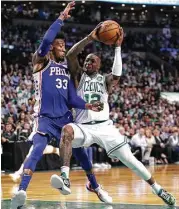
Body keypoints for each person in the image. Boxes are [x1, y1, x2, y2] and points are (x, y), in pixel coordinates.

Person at [50, 24, 176, 207]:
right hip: (84, 127)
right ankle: (65, 178)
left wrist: (118, 47)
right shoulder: (78, 76)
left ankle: (158, 189)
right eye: (86, 61)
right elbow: (70, 55)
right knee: (67, 131)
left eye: (92, 61)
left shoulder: (105, 80)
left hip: (105, 127)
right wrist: (90, 38)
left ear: (99, 65)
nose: (87, 63)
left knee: (131, 161)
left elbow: (117, 74)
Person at [11, 3, 107, 208]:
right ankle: (21, 191)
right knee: (37, 149)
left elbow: (72, 99)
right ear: (51, 47)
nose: (63, 47)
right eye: (60, 44)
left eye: (64, 44)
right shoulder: (41, 62)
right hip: (45, 118)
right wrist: (61, 17)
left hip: (65, 118)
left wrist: (88, 106)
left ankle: (96, 186)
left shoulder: (66, 69)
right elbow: (46, 39)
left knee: (80, 152)